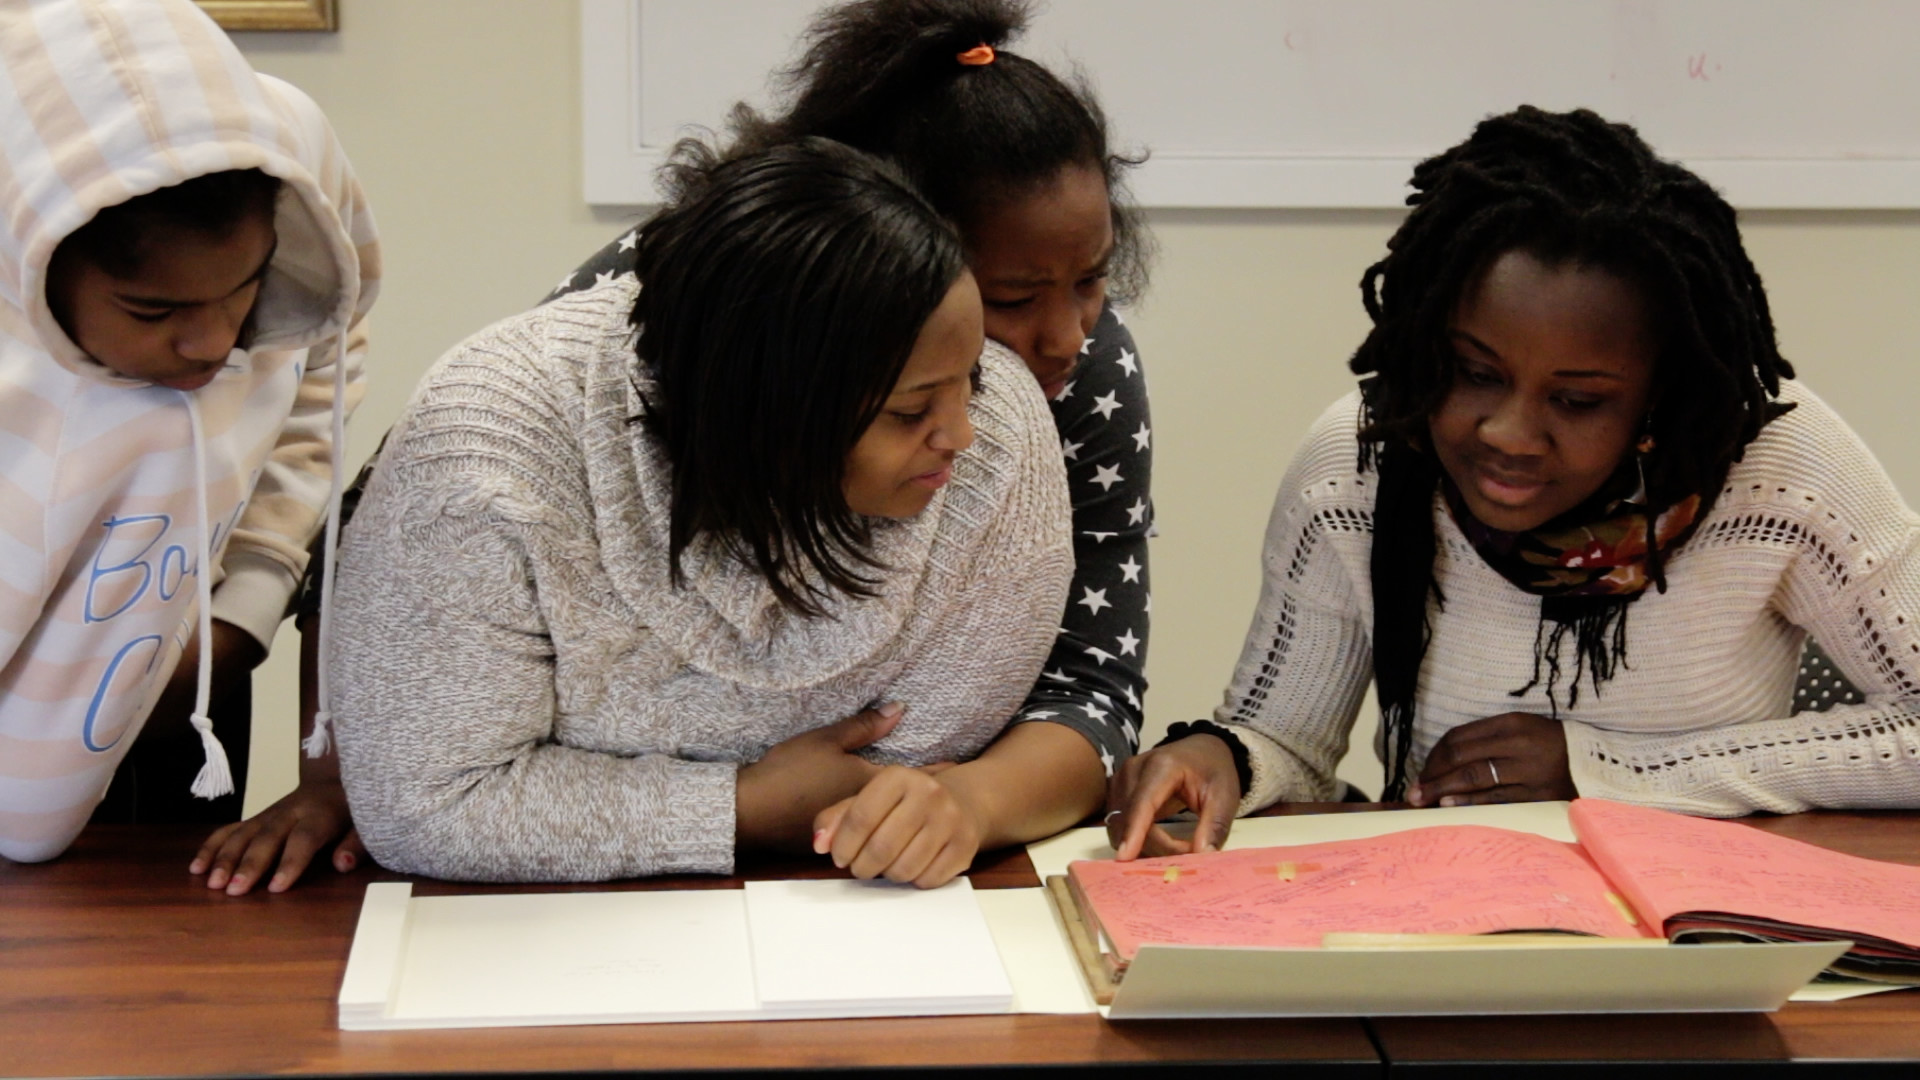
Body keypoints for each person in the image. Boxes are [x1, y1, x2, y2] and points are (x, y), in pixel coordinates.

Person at [200, 0, 1155, 892]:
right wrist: (352, 761)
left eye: (1092, 281)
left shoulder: (1061, 384)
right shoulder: (658, 322)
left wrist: (967, 799)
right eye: (1013, 298)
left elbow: (1089, 679)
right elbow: (412, 539)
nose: (1062, 336)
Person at [1108, 106, 1920, 859]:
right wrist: (1219, 756)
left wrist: (1608, 773)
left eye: (1577, 401)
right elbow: (1288, 741)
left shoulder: (1777, 467)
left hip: (1709, 920)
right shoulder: (1360, 466)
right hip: (1448, 923)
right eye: (1474, 373)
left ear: (1654, 395)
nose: (1506, 433)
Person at [329, 138, 1073, 885]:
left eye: (967, 381)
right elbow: (429, 806)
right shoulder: (490, 447)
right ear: (759, 411)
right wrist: (739, 808)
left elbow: (956, 751)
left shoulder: (999, 435)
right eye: (909, 411)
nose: (962, 435)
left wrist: (958, 801)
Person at [0, 0, 376, 863]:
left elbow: (322, 350)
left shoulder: (284, 152)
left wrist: (245, 604)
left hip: (185, 665)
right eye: (154, 309)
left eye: (240, 291)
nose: (210, 345)